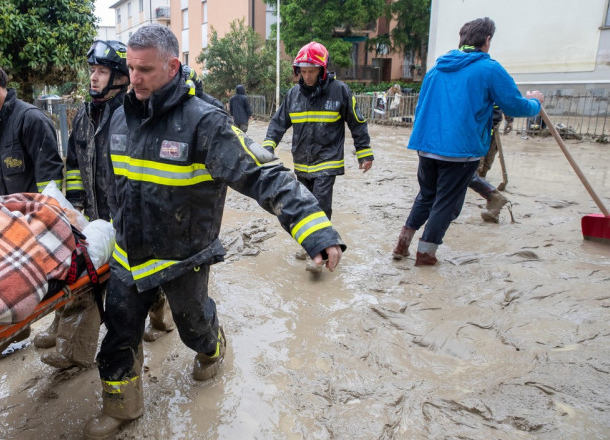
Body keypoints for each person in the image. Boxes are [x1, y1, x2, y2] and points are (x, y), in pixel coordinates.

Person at [84, 24, 346, 439]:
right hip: (127, 256)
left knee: (194, 328)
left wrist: (315, 231)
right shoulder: (119, 116)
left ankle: (213, 346)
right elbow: (108, 184)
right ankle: (121, 407)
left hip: (183, 256)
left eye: (146, 70)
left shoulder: (203, 121)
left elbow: (264, 175)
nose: (134, 79)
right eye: (131, 68)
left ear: (173, 67)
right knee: (118, 335)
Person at [33, 40, 176, 367]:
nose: (93, 78)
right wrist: (75, 208)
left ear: (121, 78)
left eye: (102, 72)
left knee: (145, 282)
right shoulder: (84, 115)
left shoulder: (135, 114)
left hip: (133, 219)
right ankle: (74, 351)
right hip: (96, 219)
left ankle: (161, 318)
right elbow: (73, 165)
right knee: (87, 283)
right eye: (92, 71)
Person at [392, 17, 543, 266]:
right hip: (460, 151)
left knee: (426, 196)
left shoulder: (438, 68)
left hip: (427, 147)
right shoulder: (489, 69)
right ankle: (426, 256)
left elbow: (421, 108)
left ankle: (402, 244)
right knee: (446, 204)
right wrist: (536, 102)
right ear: (487, 40)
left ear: (461, 40)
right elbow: (514, 105)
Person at [0, 60, 64, 348]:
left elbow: (50, 177)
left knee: (52, 277)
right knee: (13, 279)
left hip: (35, 218)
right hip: (11, 216)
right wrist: (1, 188)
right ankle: (17, 330)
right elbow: (10, 166)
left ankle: (60, 327)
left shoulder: (31, 119)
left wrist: (43, 220)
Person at [262, 41, 373, 272]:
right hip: (302, 163)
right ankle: (309, 245)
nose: (307, 76)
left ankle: (320, 255)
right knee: (303, 205)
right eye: (303, 71)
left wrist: (364, 153)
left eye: (311, 71)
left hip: (328, 161)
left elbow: (357, 123)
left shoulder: (340, 91)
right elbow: (277, 124)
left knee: (320, 205)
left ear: (322, 70)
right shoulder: (293, 95)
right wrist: (267, 147)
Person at [0, 60, 63, 196]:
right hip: (14, 211)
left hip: (32, 212)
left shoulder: (31, 119)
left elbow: (50, 177)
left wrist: (42, 212)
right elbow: (9, 163)